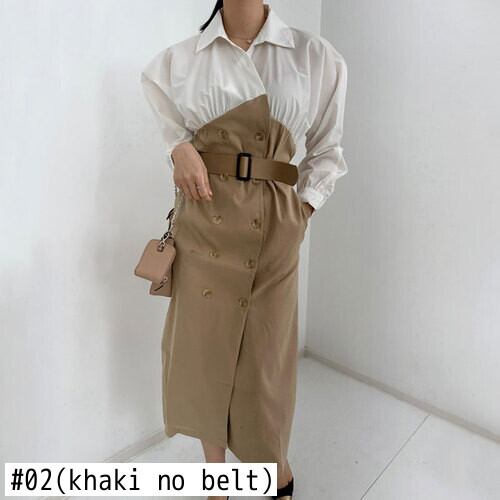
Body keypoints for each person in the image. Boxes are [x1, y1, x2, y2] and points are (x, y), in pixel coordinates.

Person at [140, 1, 348, 498]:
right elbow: (170, 129)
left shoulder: (315, 55)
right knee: (204, 348)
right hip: (204, 220)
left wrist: (300, 215)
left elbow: (327, 150)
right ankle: (216, 480)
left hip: (276, 224)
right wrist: (178, 148)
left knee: (266, 359)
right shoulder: (176, 60)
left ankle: (274, 469)